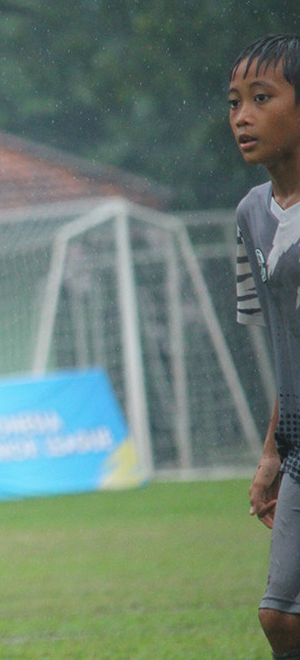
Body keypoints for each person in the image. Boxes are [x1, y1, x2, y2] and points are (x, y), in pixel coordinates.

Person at [232, 33, 300, 659]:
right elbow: (289, 354)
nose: (242, 117)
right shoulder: (252, 215)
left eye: (261, 98)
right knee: (280, 618)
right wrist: (273, 455)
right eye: (234, 103)